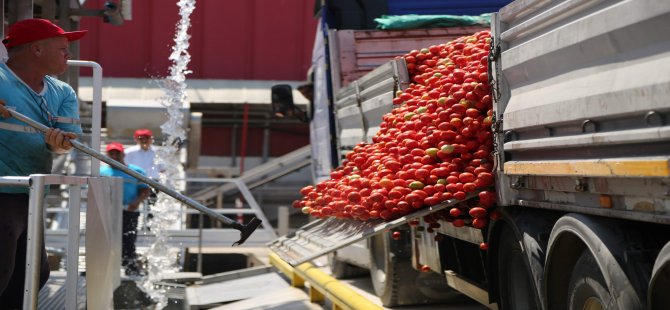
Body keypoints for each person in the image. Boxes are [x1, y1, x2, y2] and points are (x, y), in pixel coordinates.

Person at [0, 18, 86, 307]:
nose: (68, 55)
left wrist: (58, 144)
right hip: (3, 191)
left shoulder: (63, 93)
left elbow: (68, 145)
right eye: (62, 48)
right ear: (36, 49)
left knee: (35, 275)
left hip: (32, 193)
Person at [100, 142, 151, 276]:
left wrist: (136, 202)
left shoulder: (136, 171)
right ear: (108, 155)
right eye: (112, 153)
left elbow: (145, 190)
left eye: (117, 153)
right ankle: (101, 269)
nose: (115, 156)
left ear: (123, 154)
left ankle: (130, 268)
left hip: (129, 211)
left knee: (128, 240)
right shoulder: (101, 172)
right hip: (109, 212)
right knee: (105, 240)